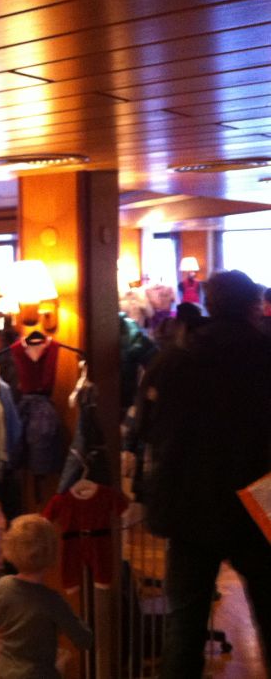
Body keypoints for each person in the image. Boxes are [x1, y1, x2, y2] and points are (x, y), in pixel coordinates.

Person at [136, 270, 271, 677]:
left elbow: (144, 427)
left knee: (185, 624)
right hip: (259, 500)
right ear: (253, 306)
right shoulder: (265, 354)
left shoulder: (174, 359)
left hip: (188, 502)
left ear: (209, 303)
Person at [0, 514, 94, 678]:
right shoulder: (52, 601)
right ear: (52, 554)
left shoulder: (2, 585)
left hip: (3, 671)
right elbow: (84, 639)